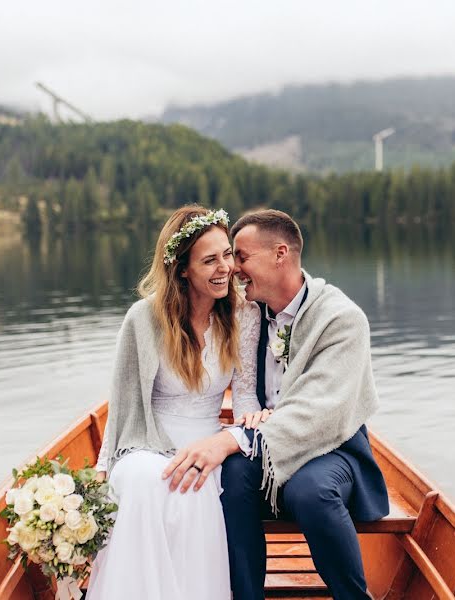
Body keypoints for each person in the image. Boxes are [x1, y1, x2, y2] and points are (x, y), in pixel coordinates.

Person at [162, 209, 390, 600]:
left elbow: (320, 414)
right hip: (263, 445)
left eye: (242, 257)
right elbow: (243, 384)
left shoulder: (342, 319)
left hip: (331, 448)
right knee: (232, 476)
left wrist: (231, 438)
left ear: (280, 253)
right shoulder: (248, 311)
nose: (233, 269)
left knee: (310, 491)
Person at [86, 205, 267, 600]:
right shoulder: (142, 319)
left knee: (193, 482)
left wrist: (245, 426)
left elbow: (246, 394)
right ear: (183, 269)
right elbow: (123, 406)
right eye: (209, 260)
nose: (225, 269)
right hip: (146, 440)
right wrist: (101, 472)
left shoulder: (244, 315)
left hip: (207, 442)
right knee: (141, 479)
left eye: (227, 256)